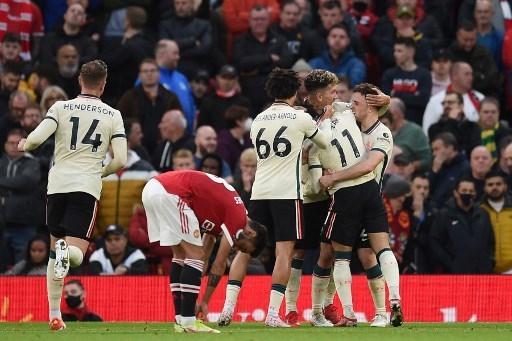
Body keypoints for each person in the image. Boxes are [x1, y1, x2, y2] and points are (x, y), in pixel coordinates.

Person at [18, 59, 127, 331]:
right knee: (76, 253)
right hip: (86, 187)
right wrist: (99, 172)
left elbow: (34, 140)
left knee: (55, 254)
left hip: (56, 187)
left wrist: (23, 143)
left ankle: (55, 314)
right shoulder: (112, 114)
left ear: (80, 80)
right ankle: (69, 252)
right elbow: (121, 160)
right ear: (103, 84)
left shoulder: (60, 107)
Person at [249, 67, 330, 327]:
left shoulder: (258, 119)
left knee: (245, 251)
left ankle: (228, 308)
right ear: (296, 90)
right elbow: (325, 142)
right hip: (286, 193)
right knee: (284, 253)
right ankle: (273, 312)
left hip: (259, 191)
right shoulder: (300, 118)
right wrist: (325, 116)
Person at [319, 83, 404, 327]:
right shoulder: (354, 123)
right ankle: (381, 311)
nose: (352, 107)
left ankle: (387, 305)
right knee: (363, 255)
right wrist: (385, 99)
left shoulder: (382, 133)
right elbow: (337, 105)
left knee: (362, 255)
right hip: (361, 198)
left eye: (357, 103)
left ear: (370, 105)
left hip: (362, 196)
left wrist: (333, 177)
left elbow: (368, 166)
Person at [141, 170, 267, 333]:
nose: (235, 247)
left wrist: (194, 294)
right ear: (251, 233)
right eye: (242, 247)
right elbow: (219, 263)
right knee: (194, 255)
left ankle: (180, 320)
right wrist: (205, 301)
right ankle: (188, 321)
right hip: (172, 192)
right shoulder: (238, 219)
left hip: (154, 188)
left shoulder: (223, 214)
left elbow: (205, 256)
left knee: (181, 256)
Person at [233, 5, 293, 113]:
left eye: (262, 19)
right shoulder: (241, 41)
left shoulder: (279, 40)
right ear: (250, 21)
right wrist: (269, 58)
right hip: (249, 94)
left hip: (275, 95)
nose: (259, 22)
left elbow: (287, 62)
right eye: (256, 19)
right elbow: (241, 63)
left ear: (268, 20)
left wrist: (256, 68)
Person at [429, 177, 494, 274]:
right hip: (454, 274)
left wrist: (489, 262)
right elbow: (434, 242)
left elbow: (490, 241)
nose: (468, 193)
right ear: (455, 192)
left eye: (471, 191)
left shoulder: (483, 214)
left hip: (481, 273)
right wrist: (451, 263)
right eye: (464, 190)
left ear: (475, 193)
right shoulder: (444, 215)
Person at [118, 58, 182, 155]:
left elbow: (179, 122)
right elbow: (118, 120)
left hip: (164, 148)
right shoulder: (130, 97)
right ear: (140, 75)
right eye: (145, 71)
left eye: (152, 70)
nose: (149, 74)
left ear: (159, 73)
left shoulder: (170, 97)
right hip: (136, 149)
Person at [0, 129, 41, 267]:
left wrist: (3, 183)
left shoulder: (32, 163)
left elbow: (26, 181)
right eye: (10, 143)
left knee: (22, 263)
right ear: (5, 145)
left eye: (17, 143)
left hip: (23, 224)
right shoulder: (2, 162)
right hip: (3, 223)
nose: (13, 146)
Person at [381, 37, 432, 125]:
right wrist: (414, 96)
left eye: (399, 51)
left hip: (416, 123)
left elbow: (423, 101)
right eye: (395, 51)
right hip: (392, 124)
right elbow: (385, 100)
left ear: (411, 52)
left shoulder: (424, 75)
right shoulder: (389, 74)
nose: (395, 54)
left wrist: (396, 94)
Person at [423, 62, 484, 135]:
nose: (471, 78)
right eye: (466, 74)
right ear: (454, 76)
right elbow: (427, 128)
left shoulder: (480, 98)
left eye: (471, 74)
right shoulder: (436, 100)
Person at [158, 0, 212, 79]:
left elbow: (205, 49)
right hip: (172, 72)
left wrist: (176, 52)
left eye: (184, 3)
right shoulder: (165, 25)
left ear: (192, 4)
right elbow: (164, 47)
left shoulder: (204, 25)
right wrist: (192, 41)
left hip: (197, 72)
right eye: (177, 3)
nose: (180, 7)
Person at [447, 20, 499, 95]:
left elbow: (492, 77)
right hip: (456, 94)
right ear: (458, 36)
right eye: (465, 40)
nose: (468, 44)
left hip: (482, 94)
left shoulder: (484, 53)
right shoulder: (450, 53)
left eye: (472, 40)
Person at [197, 65, 251, 132]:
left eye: (230, 78)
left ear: (236, 80)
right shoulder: (208, 102)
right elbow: (202, 127)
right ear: (217, 78)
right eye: (224, 77)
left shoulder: (243, 102)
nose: (226, 82)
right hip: (214, 140)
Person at [427, 91, 482, 157]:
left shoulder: (472, 127)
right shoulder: (434, 128)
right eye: (443, 103)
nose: (446, 105)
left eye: (450, 103)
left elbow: (471, 150)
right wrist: (451, 121)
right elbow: (443, 146)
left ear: (461, 106)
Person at [480, 171, 512, 273]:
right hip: (486, 269)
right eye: (490, 185)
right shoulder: (478, 210)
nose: (495, 187)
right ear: (484, 188)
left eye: (498, 184)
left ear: (505, 186)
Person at [388, 97, 431, 172]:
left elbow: (427, 160)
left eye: (386, 112)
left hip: (402, 176)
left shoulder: (415, 131)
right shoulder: (381, 130)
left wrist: (411, 166)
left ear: (396, 114)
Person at [429, 132, 471, 208]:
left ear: (450, 148)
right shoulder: (438, 166)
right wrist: (434, 171)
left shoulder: (465, 167)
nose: (434, 154)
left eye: (436, 149)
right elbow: (428, 190)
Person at [216, 105, 253, 173]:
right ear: (238, 122)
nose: (249, 120)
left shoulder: (248, 138)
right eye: (246, 118)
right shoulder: (224, 142)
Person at [478, 97, 512, 162]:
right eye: (486, 112)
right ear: (479, 113)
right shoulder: (471, 133)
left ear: (498, 113)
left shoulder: (509, 134)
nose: (490, 115)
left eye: (493, 112)